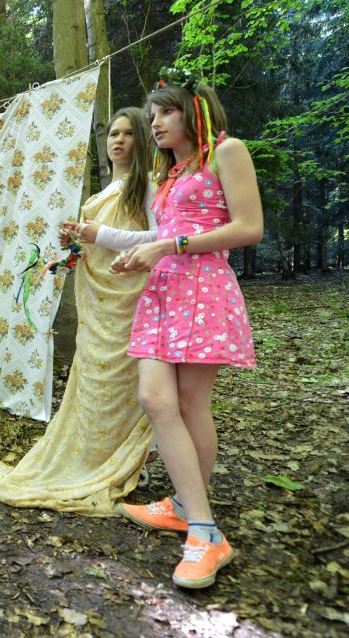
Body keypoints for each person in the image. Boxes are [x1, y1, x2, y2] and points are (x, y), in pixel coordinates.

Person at [111, 73, 263, 589]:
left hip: (203, 289)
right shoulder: (170, 172)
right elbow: (166, 233)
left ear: (193, 111)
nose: (153, 123)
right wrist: (142, 254)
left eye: (165, 112)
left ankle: (203, 530)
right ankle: (184, 507)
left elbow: (249, 227)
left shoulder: (227, 151)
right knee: (155, 398)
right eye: (151, 115)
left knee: (191, 404)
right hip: (162, 290)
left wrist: (169, 246)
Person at [0, 107, 158, 515]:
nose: (118, 140)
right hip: (97, 305)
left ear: (141, 140)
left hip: (129, 300)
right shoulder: (105, 192)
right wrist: (77, 240)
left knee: (120, 385)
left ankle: (125, 460)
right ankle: (91, 457)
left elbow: (159, 238)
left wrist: (102, 234)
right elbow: (98, 243)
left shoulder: (146, 185)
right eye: (113, 133)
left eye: (128, 133)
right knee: (93, 383)